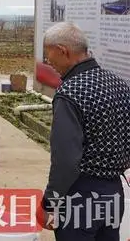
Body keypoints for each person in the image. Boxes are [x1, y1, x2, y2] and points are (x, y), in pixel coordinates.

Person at [38, 21, 130, 240]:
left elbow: (66, 161)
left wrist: (50, 202)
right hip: (113, 194)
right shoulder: (119, 84)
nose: (49, 63)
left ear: (63, 51)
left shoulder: (69, 93)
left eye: (50, 57)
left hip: (80, 197)